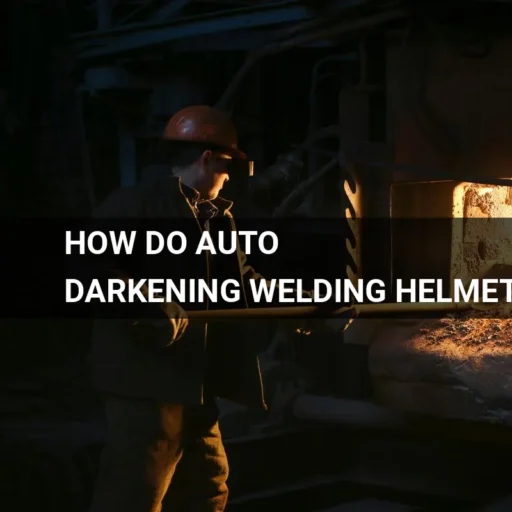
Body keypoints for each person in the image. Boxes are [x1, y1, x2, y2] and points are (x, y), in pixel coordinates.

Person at [87, 105, 344, 512]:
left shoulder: (218, 218)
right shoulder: (134, 205)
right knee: (135, 494)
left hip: (197, 383)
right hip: (146, 385)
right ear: (208, 159)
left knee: (208, 490)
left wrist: (304, 307)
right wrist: (148, 303)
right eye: (227, 167)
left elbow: (244, 286)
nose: (228, 179)